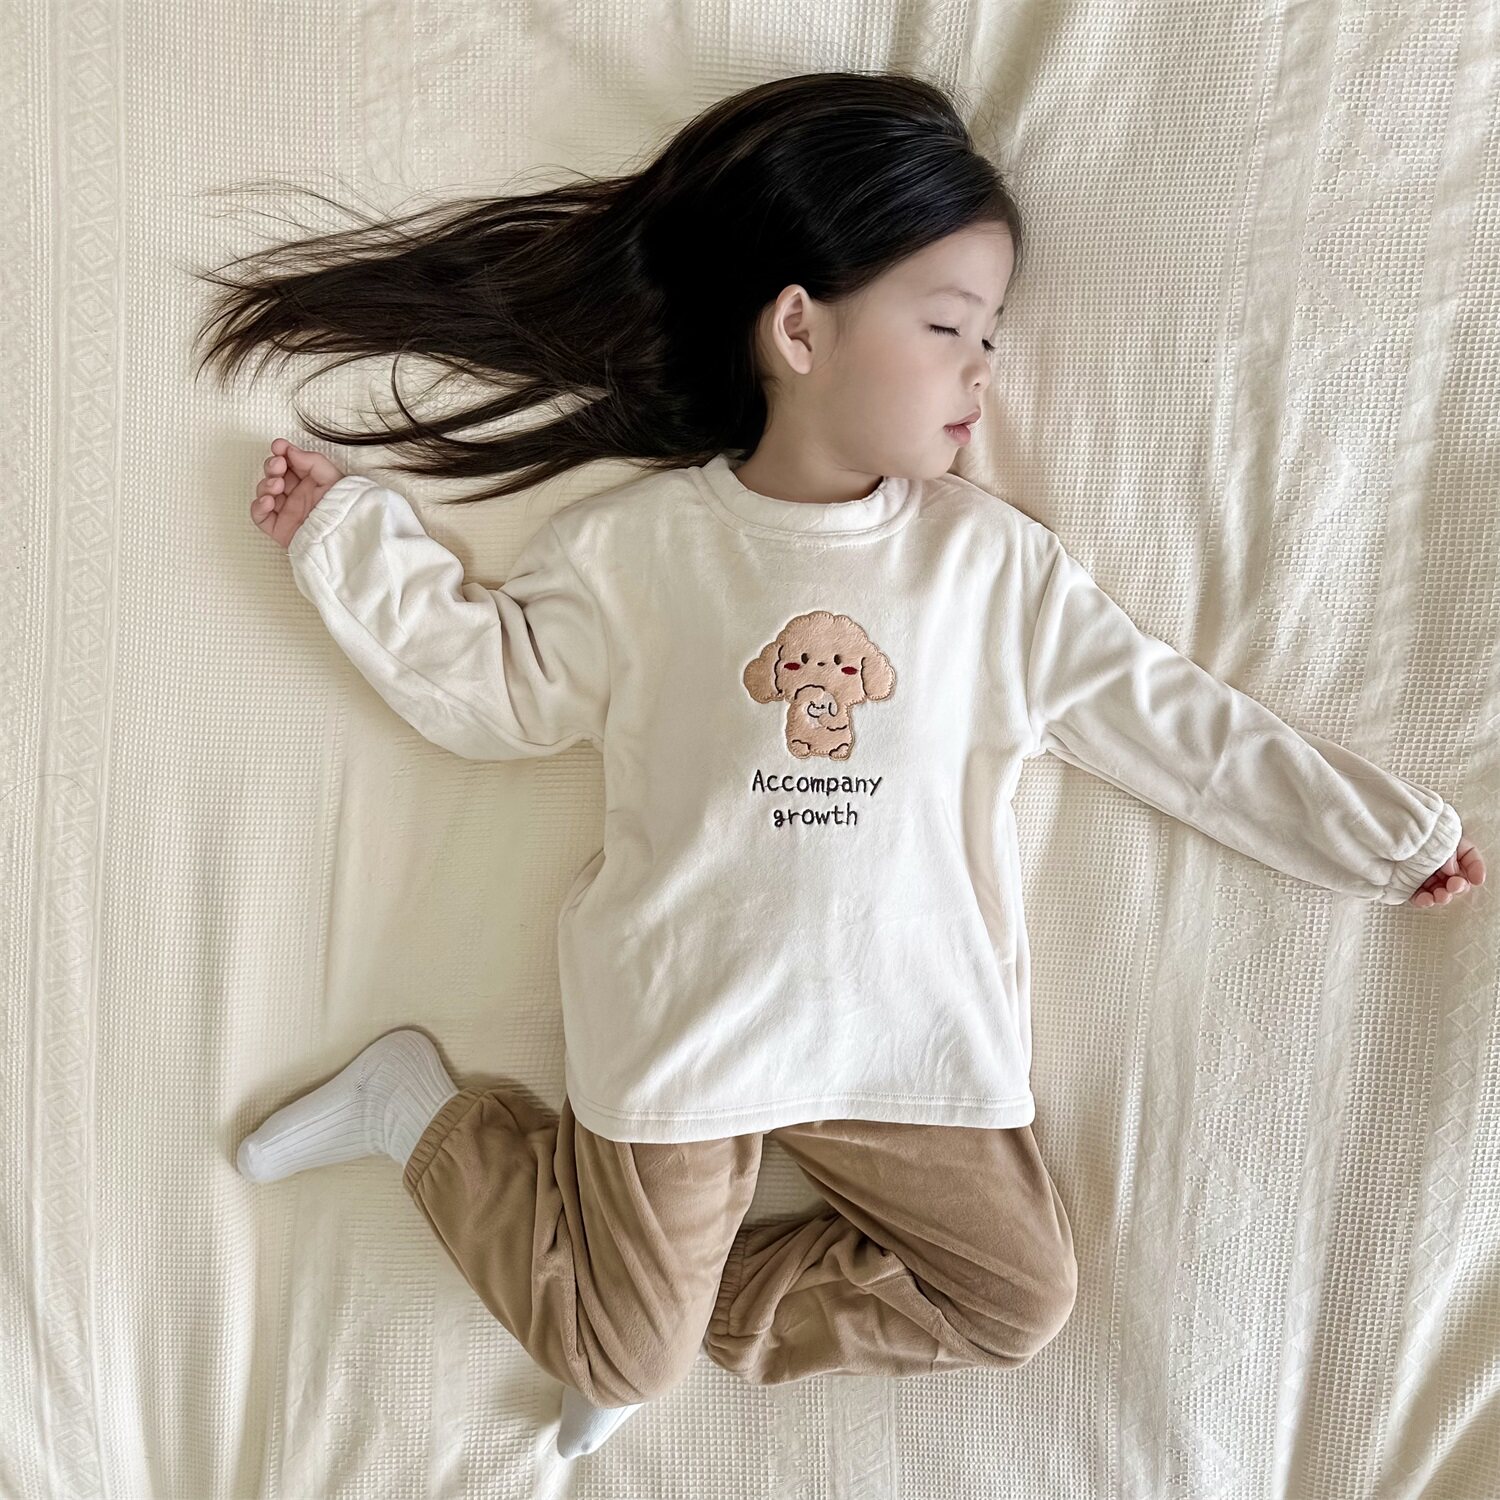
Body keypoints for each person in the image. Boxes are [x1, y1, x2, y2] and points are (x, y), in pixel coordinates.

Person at [200, 71, 1484, 1461]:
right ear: (800, 328)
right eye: (948, 327)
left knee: (1016, 1297)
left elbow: (1176, 726)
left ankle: (649, 1299)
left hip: (906, 1045)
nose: (981, 371)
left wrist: (1376, 837)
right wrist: (353, 547)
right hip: (687, 1029)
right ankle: (428, 1123)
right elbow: (495, 689)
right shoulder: (643, 551)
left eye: (989, 337)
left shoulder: (989, 570)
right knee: (619, 1353)